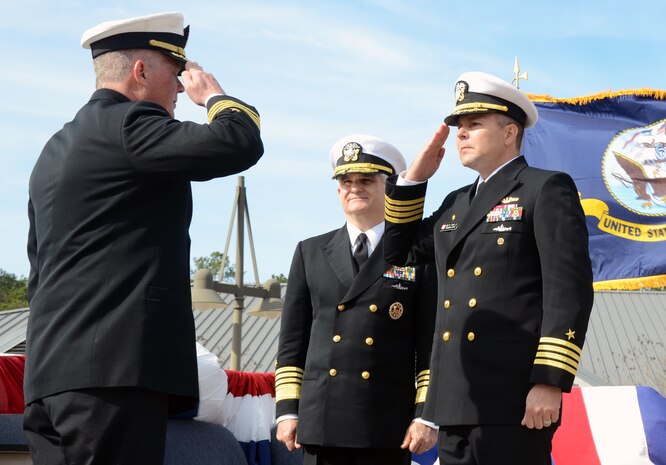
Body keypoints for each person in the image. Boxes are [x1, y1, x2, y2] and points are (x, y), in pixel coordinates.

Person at [24, 12, 263, 465]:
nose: (179, 88)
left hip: (50, 375)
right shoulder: (130, 125)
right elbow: (239, 142)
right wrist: (215, 97)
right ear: (140, 72)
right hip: (113, 378)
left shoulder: (53, 151)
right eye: (175, 74)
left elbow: (40, 272)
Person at [383, 71, 594, 465]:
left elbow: (569, 291)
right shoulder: (455, 204)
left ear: (510, 132)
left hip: (514, 397)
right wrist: (413, 179)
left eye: (474, 124)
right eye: (459, 126)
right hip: (456, 398)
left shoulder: (544, 188)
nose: (461, 134)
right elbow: (397, 253)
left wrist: (549, 381)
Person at [275, 135, 438, 465]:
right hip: (321, 422)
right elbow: (292, 343)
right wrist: (287, 411)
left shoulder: (417, 252)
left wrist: (425, 415)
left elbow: (430, 345)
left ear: (389, 187)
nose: (354, 188)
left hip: (385, 423)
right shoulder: (310, 252)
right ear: (338, 191)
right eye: (346, 181)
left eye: (366, 180)